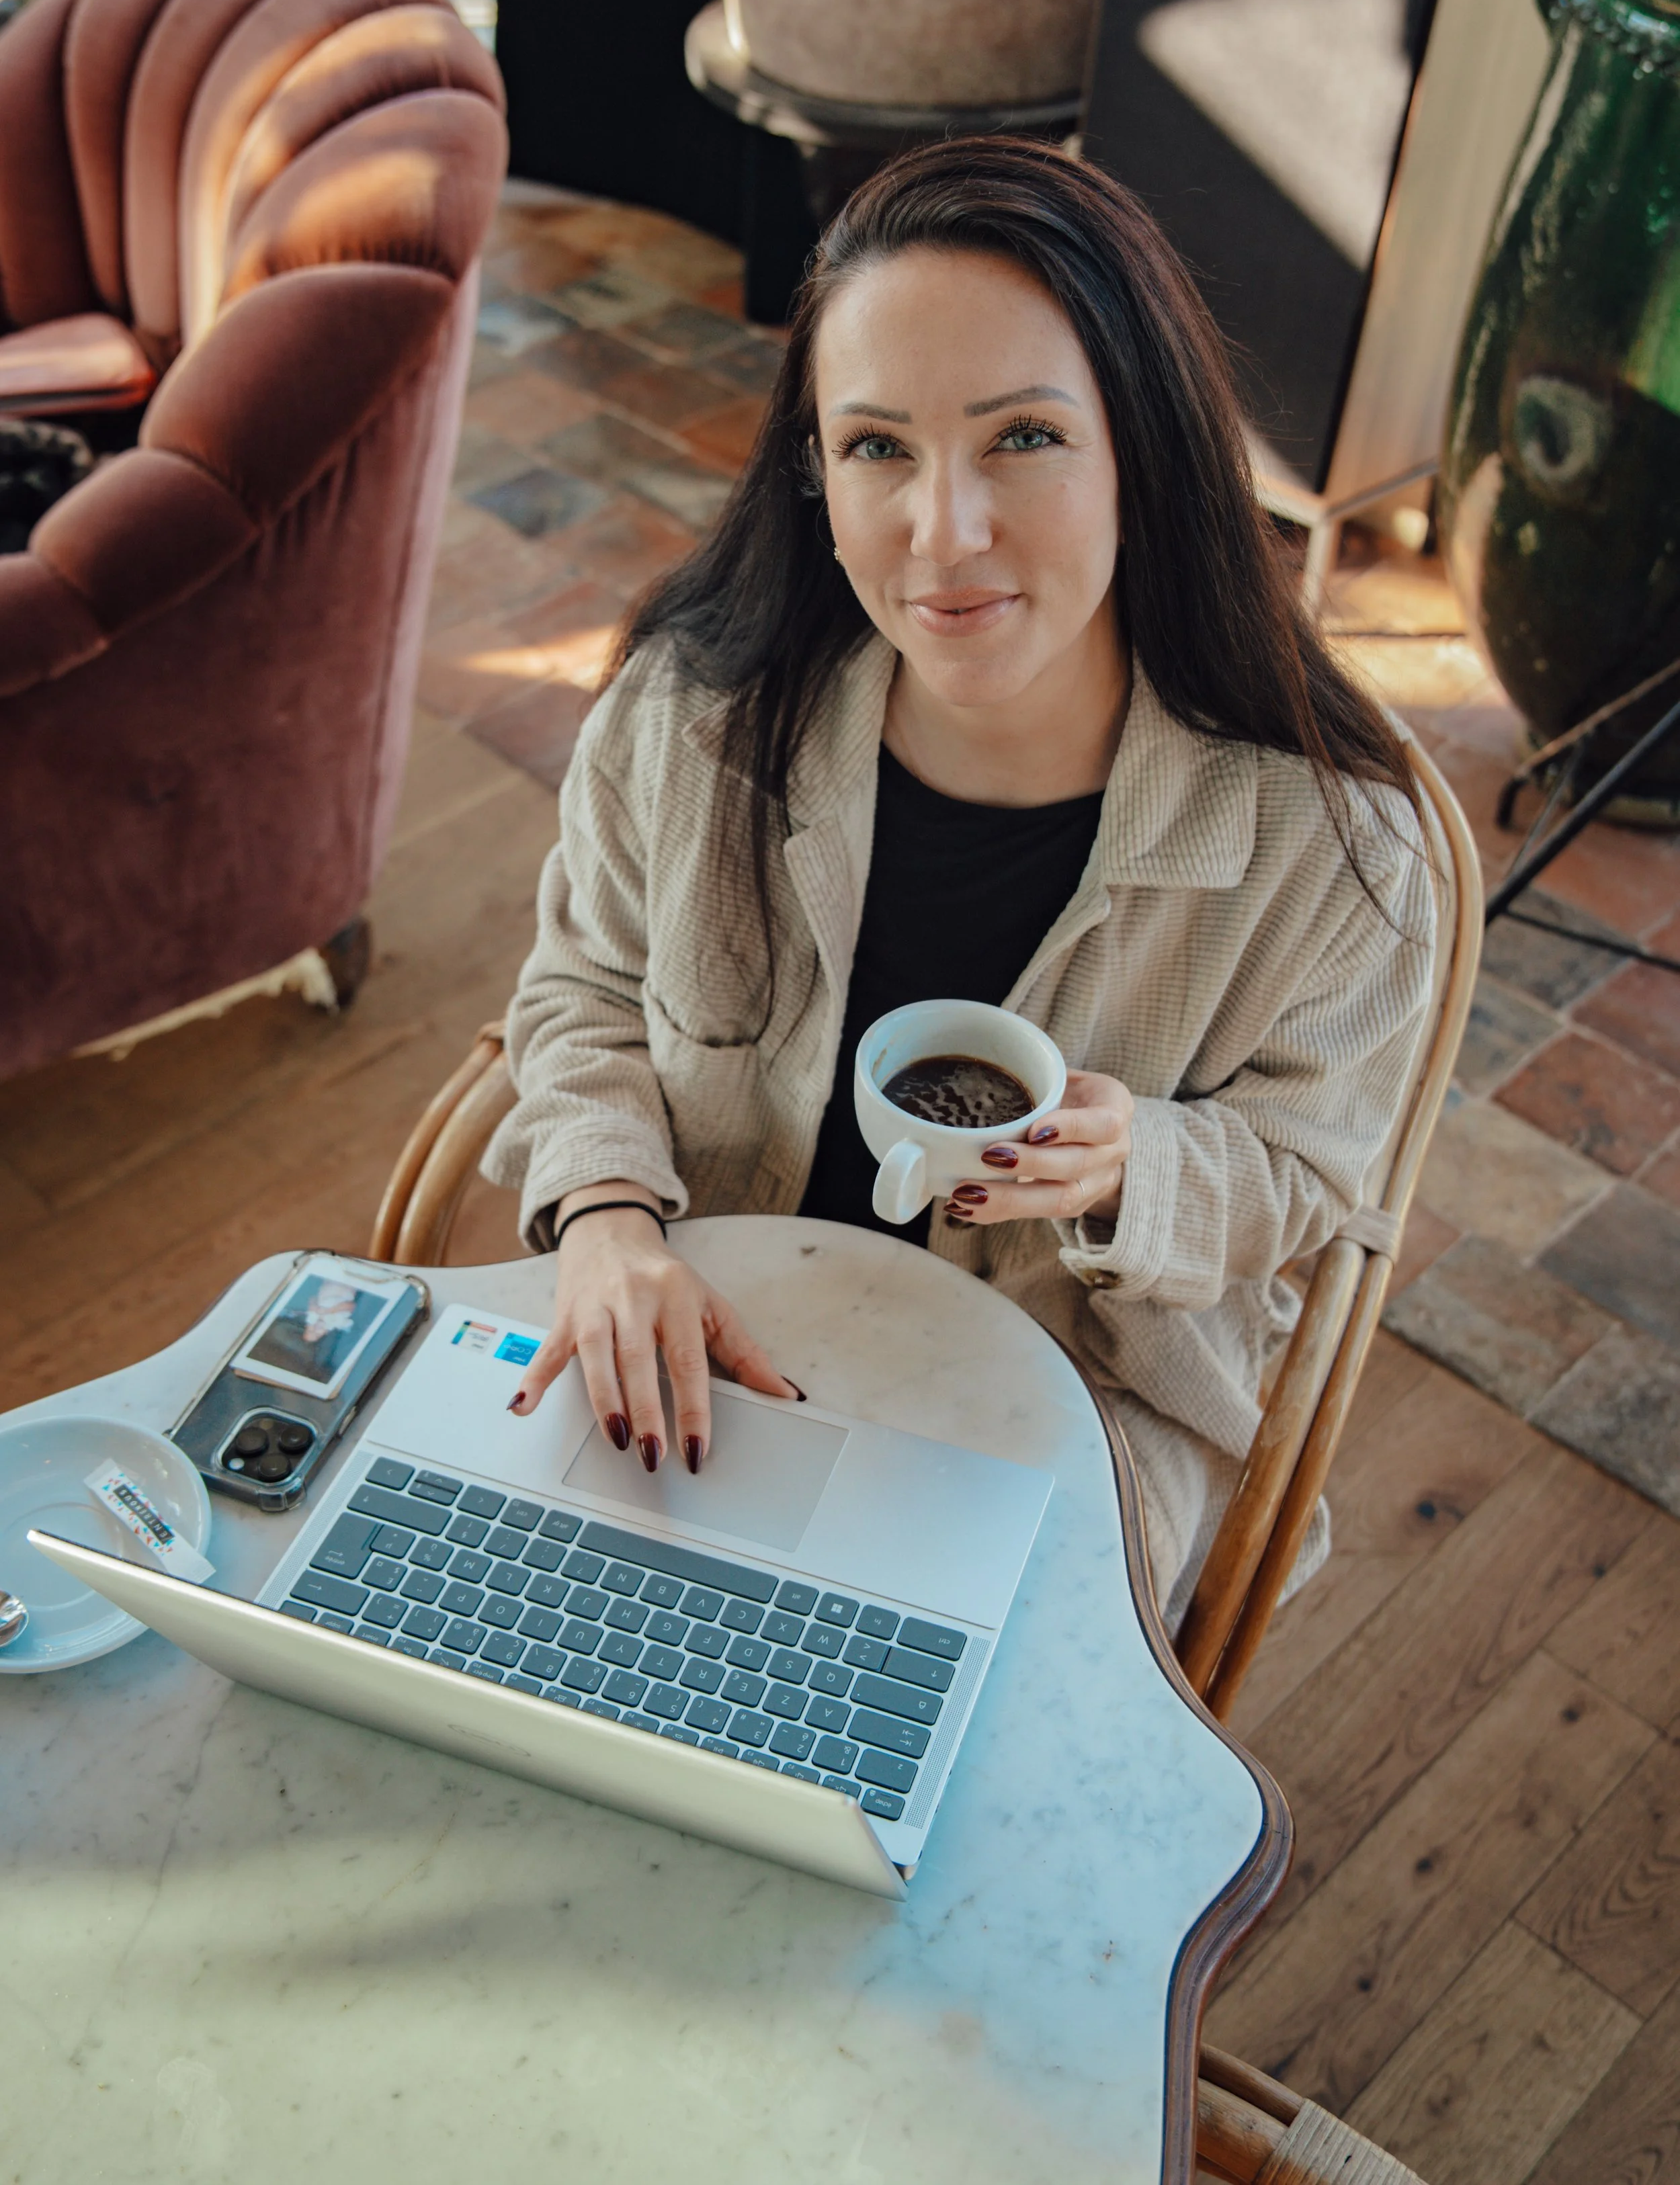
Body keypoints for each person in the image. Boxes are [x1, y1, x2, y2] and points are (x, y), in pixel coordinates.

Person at [484, 138, 1435, 1628]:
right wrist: (607, 1224)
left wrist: (1142, 1165)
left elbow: (1314, 1181)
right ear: (814, 470)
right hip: (710, 1318)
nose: (944, 534)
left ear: (1145, 445)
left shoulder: (1335, 856)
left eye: (1021, 439)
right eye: (876, 448)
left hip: (1077, 1395)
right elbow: (583, 989)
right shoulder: (690, 715)